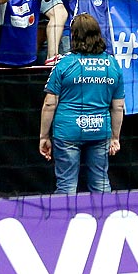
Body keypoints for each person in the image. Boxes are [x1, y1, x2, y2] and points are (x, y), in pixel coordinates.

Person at [39, 13, 125, 194]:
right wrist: (115, 137)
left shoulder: (64, 64)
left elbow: (49, 104)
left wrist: (43, 136)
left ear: (74, 36)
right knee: (101, 185)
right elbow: (118, 107)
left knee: (66, 186)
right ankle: (106, 221)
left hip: (68, 131)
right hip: (100, 130)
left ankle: (62, 223)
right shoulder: (112, 64)